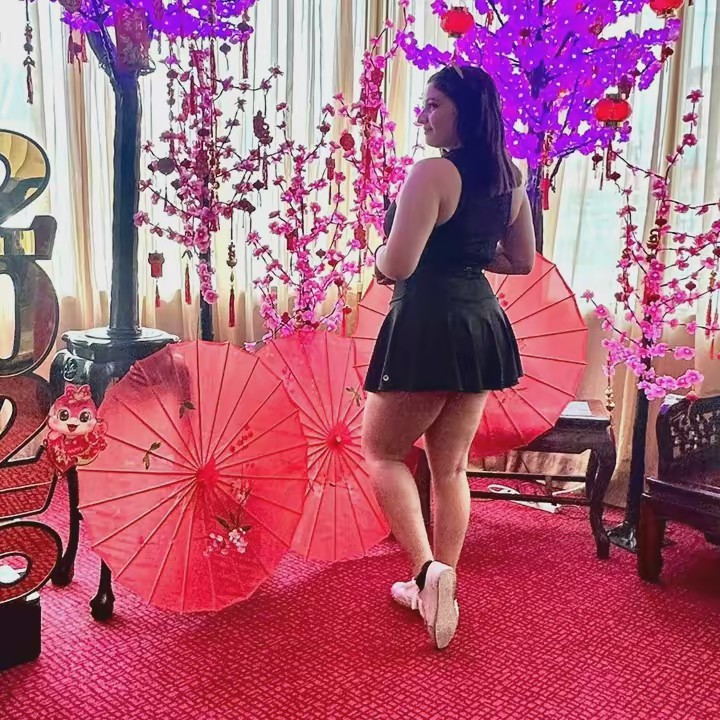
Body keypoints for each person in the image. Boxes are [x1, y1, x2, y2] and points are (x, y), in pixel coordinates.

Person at [361, 65, 536, 651]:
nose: (423, 114)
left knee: (382, 451)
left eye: (434, 104)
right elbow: (520, 261)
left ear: (467, 111)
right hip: (480, 322)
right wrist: (466, 254)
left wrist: (379, 257)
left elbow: (398, 265)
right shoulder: (511, 178)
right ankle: (444, 585)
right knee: (451, 466)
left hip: (428, 322)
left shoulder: (432, 172)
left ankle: (425, 574)